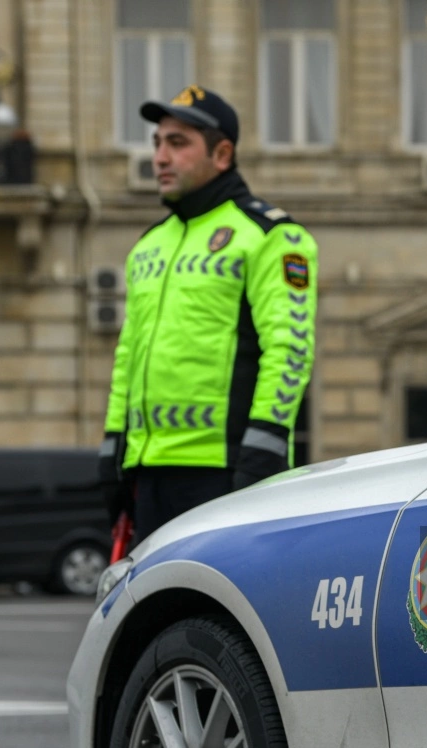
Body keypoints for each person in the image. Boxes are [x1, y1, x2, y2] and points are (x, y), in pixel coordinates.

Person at [98, 85, 318, 547]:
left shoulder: (270, 234)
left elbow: (291, 348)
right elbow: (127, 356)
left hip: (226, 470)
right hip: (147, 471)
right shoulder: (148, 245)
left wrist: (265, 446)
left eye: (178, 144)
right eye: (158, 142)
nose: (160, 156)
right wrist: (113, 444)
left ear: (222, 154)